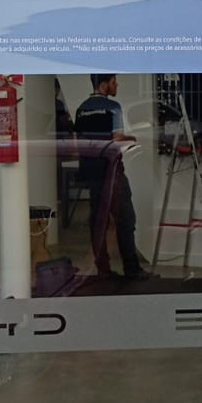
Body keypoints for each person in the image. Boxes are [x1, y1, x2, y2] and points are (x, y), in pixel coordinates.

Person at [74, 74, 146, 280]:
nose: (117, 85)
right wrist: (133, 138)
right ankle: (132, 269)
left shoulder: (81, 109)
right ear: (104, 85)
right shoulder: (113, 107)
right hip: (112, 169)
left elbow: (78, 142)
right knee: (126, 218)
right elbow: (117, 138)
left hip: (91, 171)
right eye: (114, 82)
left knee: (99, 222)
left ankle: (103, 270)